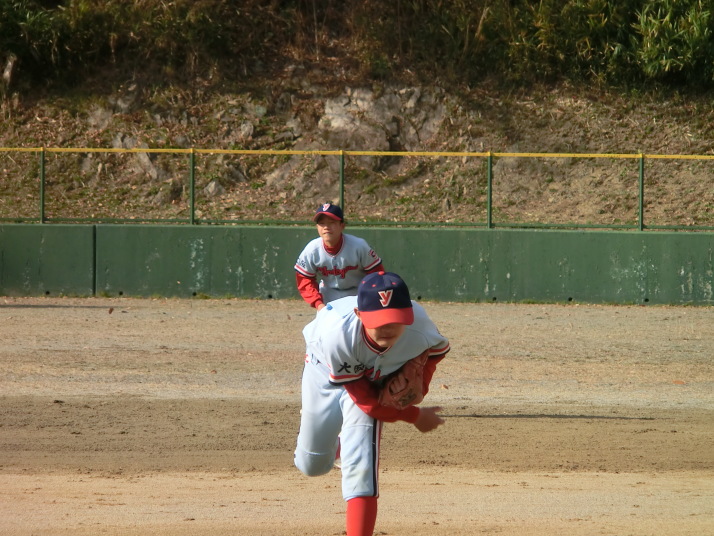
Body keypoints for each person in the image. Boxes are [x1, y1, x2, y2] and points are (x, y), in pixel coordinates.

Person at [294, 271, 450, 536]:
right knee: (312, 465)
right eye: (379, 320)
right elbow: (366, 401)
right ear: (359, 314)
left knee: (361, 463)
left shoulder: (420, 327)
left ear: (408, 314)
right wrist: (414, 415)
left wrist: (420, 386)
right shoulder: (337, 336)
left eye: (396, 319)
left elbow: (436, 353)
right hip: (323, 369)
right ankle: (337, 443)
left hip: (374, 378)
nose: (387, 327)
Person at [294, 202, 384, 311]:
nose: (326, 227)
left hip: (358, 294)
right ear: (317, 227)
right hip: (328, 295)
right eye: (321, 223)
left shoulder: (359, 246)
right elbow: (304, 279)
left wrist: (369, 299)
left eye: (331, 223)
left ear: (342, 226)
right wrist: (318, 304)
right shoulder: (312, 250)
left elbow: (376, 275)